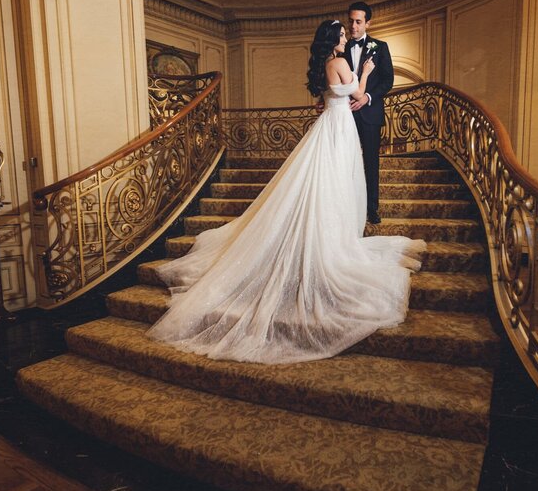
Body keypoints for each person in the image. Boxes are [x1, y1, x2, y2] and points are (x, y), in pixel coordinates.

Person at [146, 20, 426, 364]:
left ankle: (326, 235)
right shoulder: (340, 63)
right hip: (339, 130)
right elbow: (356, 94)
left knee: (326, 185)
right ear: (333, 40)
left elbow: (325, 100)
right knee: (335, 184)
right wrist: (365, 71)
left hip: (329, 127)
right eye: (340, 34)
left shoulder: (324, 65)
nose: (344, 37)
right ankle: (330, 243)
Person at [345, 1, 394, 225]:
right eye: (351, 21)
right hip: (345, 115)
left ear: (368, 23)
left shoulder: (379, 47)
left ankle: (372, 209)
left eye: (358, 21)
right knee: (345, 163)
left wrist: (367, 98)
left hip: (371, 114)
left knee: (371, 162)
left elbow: (388, 80)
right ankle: (347, 207)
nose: (353, 26)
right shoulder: (341, 47)